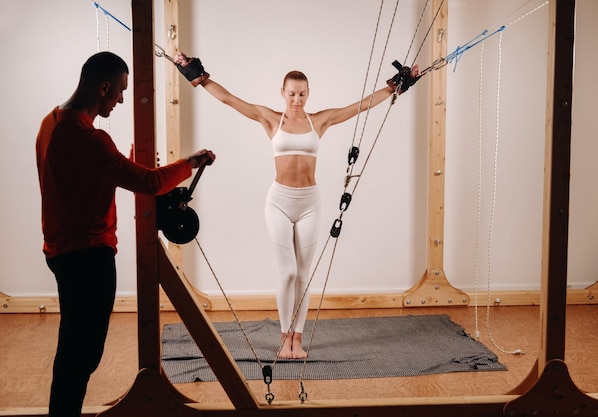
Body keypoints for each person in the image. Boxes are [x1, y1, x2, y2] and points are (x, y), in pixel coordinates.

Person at [174, 51, 418, 359]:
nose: (297, 99)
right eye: (291, 93)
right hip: (279, 201)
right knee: (287, 272)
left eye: (302, 94)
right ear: (282, 93)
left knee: (304, 275)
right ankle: (283, 335)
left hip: (310, 203)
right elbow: (230, 100)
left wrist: (397, 84)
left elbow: (360, 106)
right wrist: (196, 74)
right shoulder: (271, 119)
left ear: (308, 94)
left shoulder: (320, 121)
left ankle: (297, 339)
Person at [35, 51, 215, 417]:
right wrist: (191, 163)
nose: (120, 100)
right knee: (83, 352)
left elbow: (91, 177)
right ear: (103, 87)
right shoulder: (87, 137)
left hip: (61, 252)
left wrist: (130, 161)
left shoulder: (51, 122)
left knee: (74, 347)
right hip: (88, 255)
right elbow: (148, 183)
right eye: (119, 92)